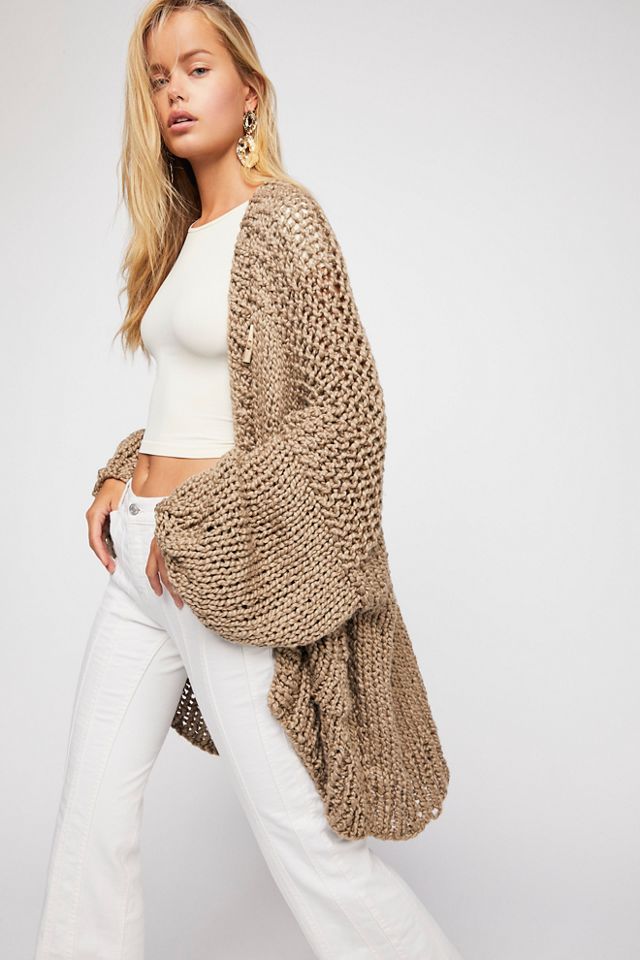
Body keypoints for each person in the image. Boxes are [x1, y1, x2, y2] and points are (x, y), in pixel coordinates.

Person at [34, 2, 464, 958]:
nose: (174, 93)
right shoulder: (182, 234)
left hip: (223, 568)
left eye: (196, 69)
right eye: (158, 78)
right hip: (143, 560)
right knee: (89, 821)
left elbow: (348, 418)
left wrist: (206, 520)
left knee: (308, 848)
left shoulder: (285, 222)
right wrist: (125, 470)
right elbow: (207, 404)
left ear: (250, 91)